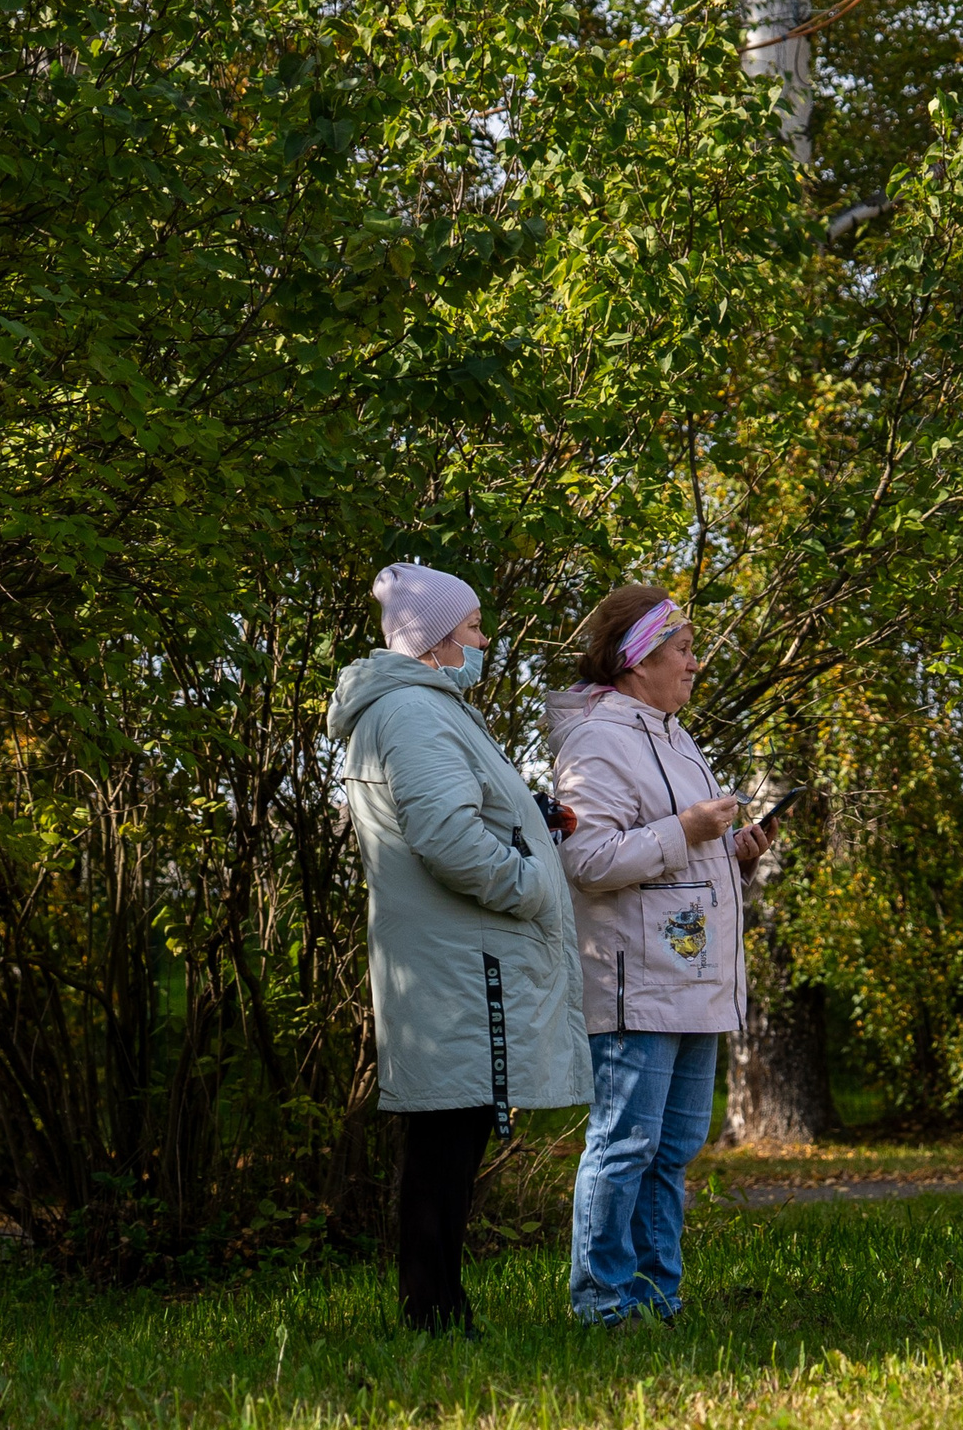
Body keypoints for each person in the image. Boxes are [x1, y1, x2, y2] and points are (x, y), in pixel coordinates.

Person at [325, 562, 590, 1335]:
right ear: (438, 638)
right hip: (458, 962)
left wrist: (533, 819)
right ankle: (434, 1313)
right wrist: (533, 883)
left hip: (455, 956)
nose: (483, 640)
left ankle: (439, 1308)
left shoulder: (427, 709)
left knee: (451, 1134)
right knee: (444, 1141)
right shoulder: (413, 712)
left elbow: (458, 810)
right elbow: (447, 839)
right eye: (473, 627)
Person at [546, 585, 773, 1326]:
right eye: (682, 649)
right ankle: (603, 1305)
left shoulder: (673, 734)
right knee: (625, 1145)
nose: (695, 663)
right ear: (638, 658)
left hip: (689, 979)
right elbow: (588, 860)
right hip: (633, 982)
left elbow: (676, 855)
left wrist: (733, 853)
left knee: (671, 1149)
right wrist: (688, 828)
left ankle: (657, 1299)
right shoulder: (598, 739)